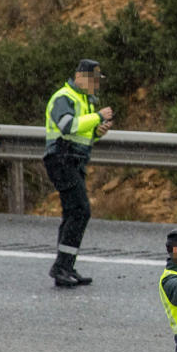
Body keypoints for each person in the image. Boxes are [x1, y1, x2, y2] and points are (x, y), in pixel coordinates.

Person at [42, 58, 114, 288]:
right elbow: (67, 126)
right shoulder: (65, 97)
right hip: (62, 160)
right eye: (93, 80)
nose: (96, 85)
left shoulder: (83, 100)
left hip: (72, 161)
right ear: (80, 77)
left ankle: (65, 266)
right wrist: (99, 117)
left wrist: (96, 132)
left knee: (74, 213)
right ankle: (61, 267)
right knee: (80, 211)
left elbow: (80, 134)